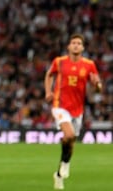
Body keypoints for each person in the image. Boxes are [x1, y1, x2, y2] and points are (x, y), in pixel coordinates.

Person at [44, 33, 102, 190]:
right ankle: (65, 162)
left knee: (70, 142)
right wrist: (48, 91)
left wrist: (97, 85)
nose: (76, 45)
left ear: (82, 47)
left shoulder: (89, 65)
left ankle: (61, 169)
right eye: (73, 43)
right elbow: (49, 75)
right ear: (69, 46)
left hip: (78, 109)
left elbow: (97, 86)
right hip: (60, 105)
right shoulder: (59, 62)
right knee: (69, 135)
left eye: (79, 43)